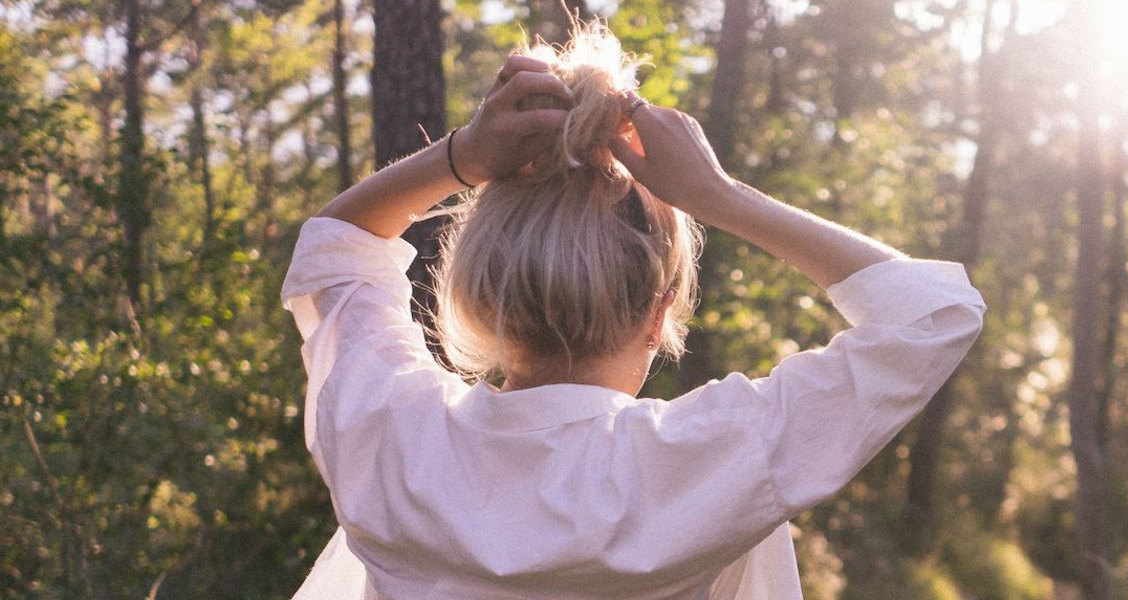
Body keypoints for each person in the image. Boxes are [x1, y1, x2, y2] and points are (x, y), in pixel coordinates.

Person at [281, 23, 984, 600]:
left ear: (480, 289)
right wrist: (718, 194)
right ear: (661, 310)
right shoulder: (697, 465)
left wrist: (465, 154)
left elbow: (336, 251)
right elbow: (934, 314)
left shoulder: (398, 443)